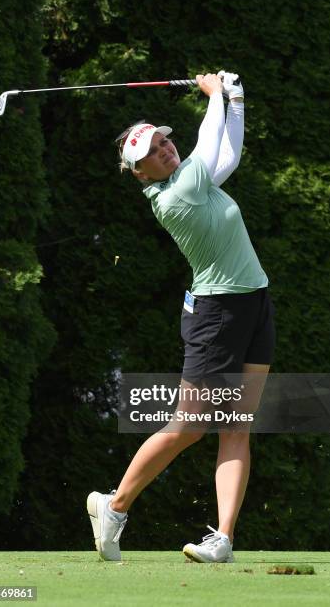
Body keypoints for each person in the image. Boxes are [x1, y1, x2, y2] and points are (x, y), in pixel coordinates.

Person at [87, 72, 276, 563]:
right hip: (217, 316)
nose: (164, 150)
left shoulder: (192, 179)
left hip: (253, 303)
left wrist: (235, 98)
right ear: (141, 173)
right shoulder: (177, 195)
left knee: (237, 425)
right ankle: (116, 505)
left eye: (162, 141)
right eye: (152, 151)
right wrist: (214, 94)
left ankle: (223, 540)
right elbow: (210, 138)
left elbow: (227, 152)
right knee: (190, 426)